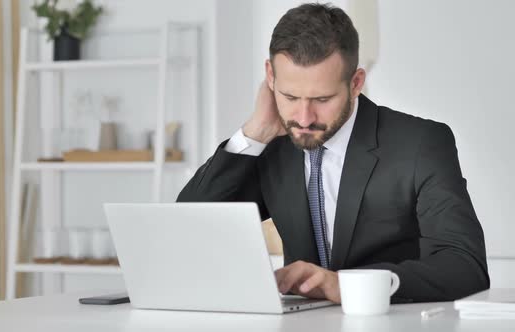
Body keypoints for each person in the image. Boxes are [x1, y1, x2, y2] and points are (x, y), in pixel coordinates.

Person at [177, 2, 489, 303]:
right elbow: (189, 224)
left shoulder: (420, 143)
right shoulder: (272, 145)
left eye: (322, 99)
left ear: (356, 83)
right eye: (289, 96)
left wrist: (347, 286)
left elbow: (465, 266)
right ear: (270, 77)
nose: (303, 118)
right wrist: (255, 132)